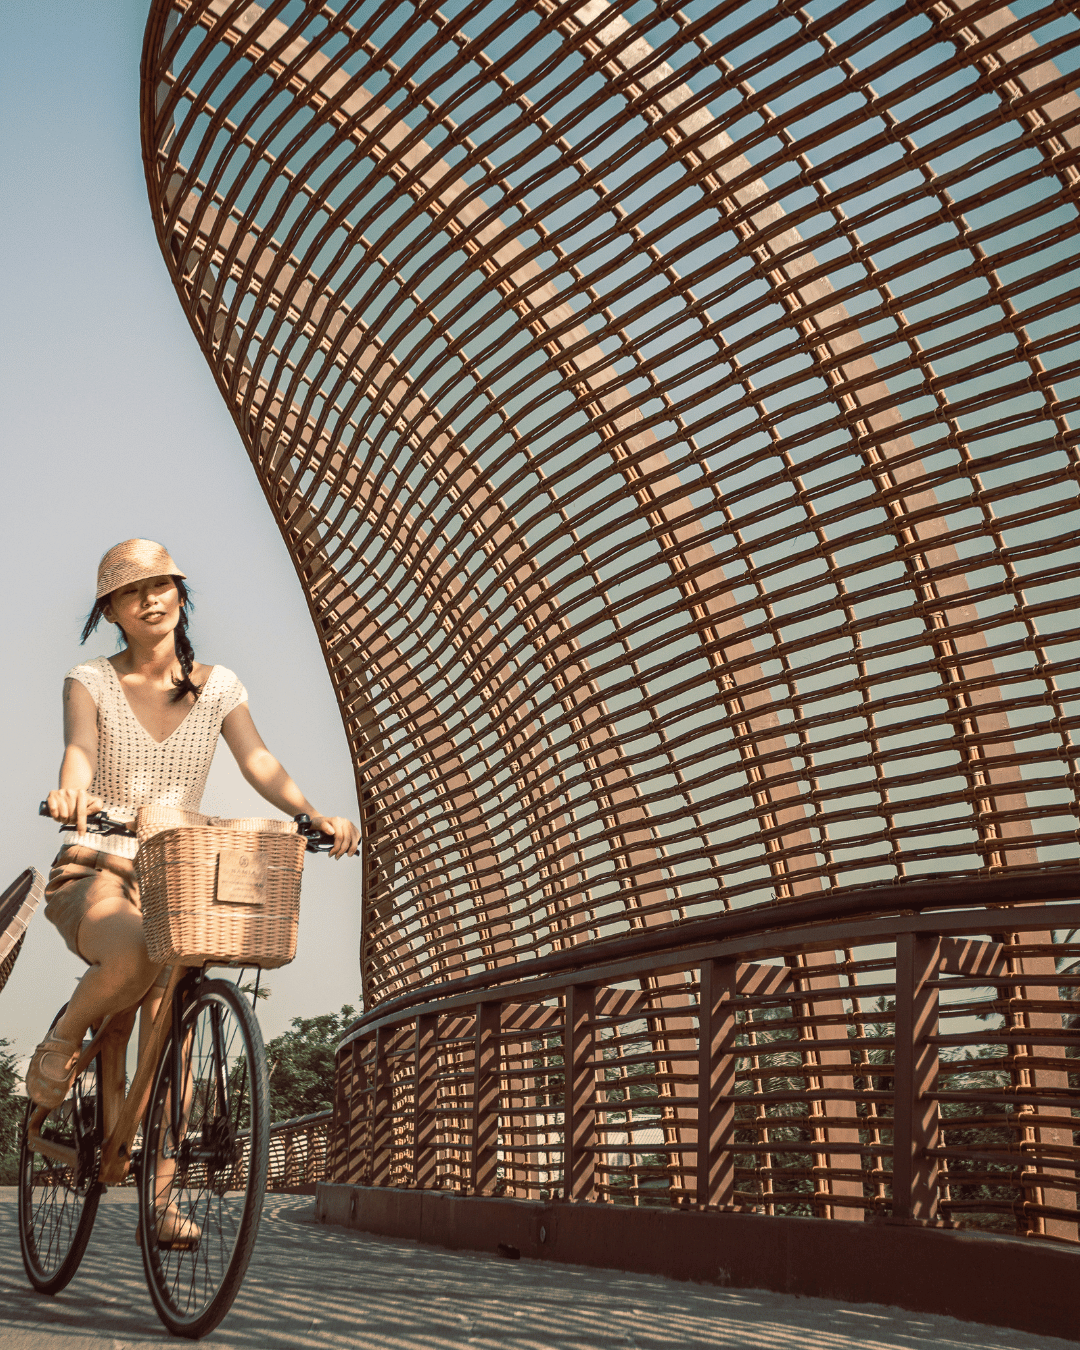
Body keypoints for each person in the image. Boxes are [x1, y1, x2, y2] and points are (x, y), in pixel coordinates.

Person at [27, 539, 359, 1238]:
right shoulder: (90, 680)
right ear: (110, 612)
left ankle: (160, 1199)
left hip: (180, 876)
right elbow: (79, 752)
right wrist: (71, 793)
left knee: (173, 1035)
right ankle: (62, 1039)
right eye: (131, 591)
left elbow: (258, 759)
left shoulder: (219, 686)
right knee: (131, 954)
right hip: (98, 865)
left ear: (180, 594)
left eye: (162, 585)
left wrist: (310, 813)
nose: (150, 599)